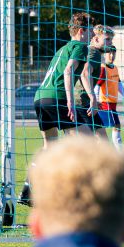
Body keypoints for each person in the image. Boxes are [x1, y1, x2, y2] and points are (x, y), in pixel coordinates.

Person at [32, 12, 94, 148]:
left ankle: (36, 169)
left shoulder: (62, 49)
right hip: (57, 97)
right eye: (91, 30)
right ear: (82, 30)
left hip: (40, 98)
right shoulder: (80, 46)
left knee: (50, 146)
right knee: (89, 142)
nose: (93, 35)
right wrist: (70, 102)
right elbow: (68, 70)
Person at [95, 44, 124, 149]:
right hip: (105, 104)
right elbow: (97, 86)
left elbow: (119, 85)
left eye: (114, 53)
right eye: (109, 53)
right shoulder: (103, 69)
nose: (112, 55)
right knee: (116, 126)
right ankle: (119, 150)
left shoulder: (115, 68)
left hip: (113, 104)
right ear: (105, 55)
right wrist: (95, 100)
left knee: (100, 128)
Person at [79, 25, 112, 135]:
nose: (110, 43)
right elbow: (85, 73)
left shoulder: (88, 51)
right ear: (96, 39)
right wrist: (92, 97)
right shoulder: (94, 52)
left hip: (79, 102)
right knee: (101, 142)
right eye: (107, 39)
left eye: (111, 40)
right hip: (83, 103)